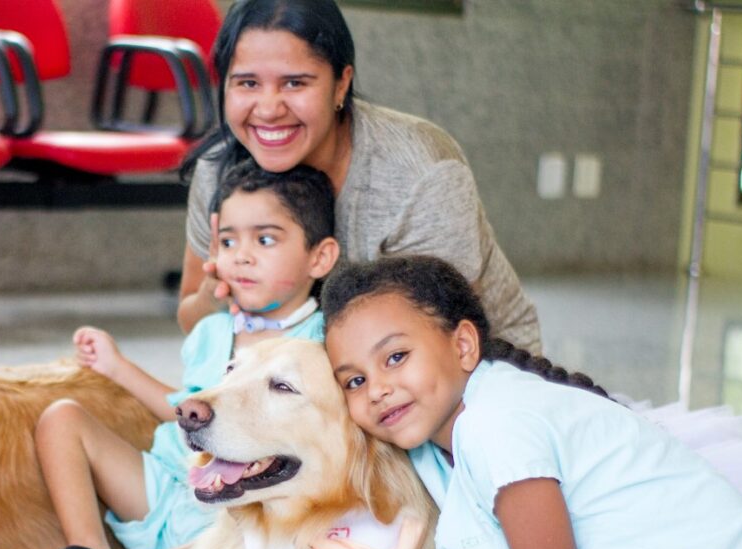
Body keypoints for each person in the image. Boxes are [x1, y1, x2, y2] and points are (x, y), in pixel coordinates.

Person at [321, 255, 742, 549]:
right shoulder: (435, 437)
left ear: (462, 346)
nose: (377, 389)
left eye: (396, 357)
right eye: (355, 381)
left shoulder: (495, 423)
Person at [23, 161, 340, 549]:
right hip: (173, 484)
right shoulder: (212, 331)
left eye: (265, 240)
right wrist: (118, 367)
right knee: (61, 418)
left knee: (249, 535)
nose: (241, 255)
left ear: (319, 257)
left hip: (242, 509)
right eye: (228, 241)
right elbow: (187, 411)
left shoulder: (322, 343)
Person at [177, 0, 541, 356]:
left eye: (294, 83)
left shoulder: (419, 172)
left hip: (467, 371)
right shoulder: (219, 169)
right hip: (308, 374)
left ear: (340, 85)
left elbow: (437, 350)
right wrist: (214, 301)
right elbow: (192, 320)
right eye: (247, 83)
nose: (269, 109)